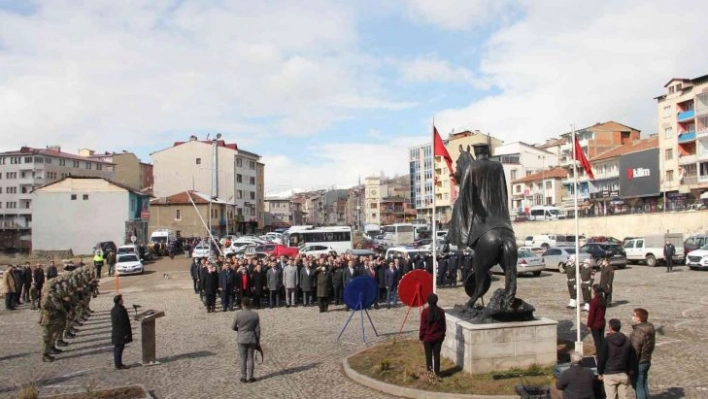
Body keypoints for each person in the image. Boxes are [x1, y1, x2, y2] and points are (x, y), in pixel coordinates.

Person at [597, 319, 633, 399]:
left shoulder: (606, 341)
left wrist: (600, 372)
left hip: (610, 373)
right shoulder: (627, 340)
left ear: (610, 328)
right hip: (623, 373)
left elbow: (602, 358)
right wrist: (630, 371)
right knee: (624, 397)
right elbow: (631, 357)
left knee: (611, 397)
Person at [232, 297, 261, 383]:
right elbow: (258, 330)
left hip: (241, 338)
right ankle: (251, 377)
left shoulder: (238, 314)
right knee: (250, 358)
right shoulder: (255, 315)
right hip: (251, 338)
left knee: (242, 358)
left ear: (242, 304)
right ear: (249, 304)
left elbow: (233, 327)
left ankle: (243, 377)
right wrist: (258, 340)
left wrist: (239, 330)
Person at [630, 308, 655, 399]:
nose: (632, 317)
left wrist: (631, 365)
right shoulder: (649, 329)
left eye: (634, 315)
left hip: (639, 362)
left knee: (638, 386)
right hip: (646, 360)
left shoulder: (639, 331)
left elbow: (635, 350)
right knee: (644, 384)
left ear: (639, 318)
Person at [419, 293, 446, 376]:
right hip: (438, 337)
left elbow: (423, 326)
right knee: (437, 356)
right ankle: (437, 374)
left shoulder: (425, 312)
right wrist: (442, 335)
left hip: (427, 338)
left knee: (428, 357)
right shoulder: (441, 311)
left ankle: (430, 374)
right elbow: (443, 325)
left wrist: (421, 337)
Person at [110, 294, 132, 370]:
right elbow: (122, 323)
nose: (123, 300)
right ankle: (118, 365)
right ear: (119, 301)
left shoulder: (114, 309)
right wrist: (125, 333)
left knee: (118, 348)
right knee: (119, 348)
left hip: (116, 332)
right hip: (120, 333)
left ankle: (118, 363)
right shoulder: (120, 310)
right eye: (122, 299)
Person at [587, 284, 607, 354]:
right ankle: (603, 351)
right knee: (602, 338)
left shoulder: (594, 301)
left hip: (595, 324)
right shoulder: (603, 300)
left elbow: (591, 314)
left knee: (597, 340)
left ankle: (599, 353)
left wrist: (589, 324)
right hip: (602, 321)